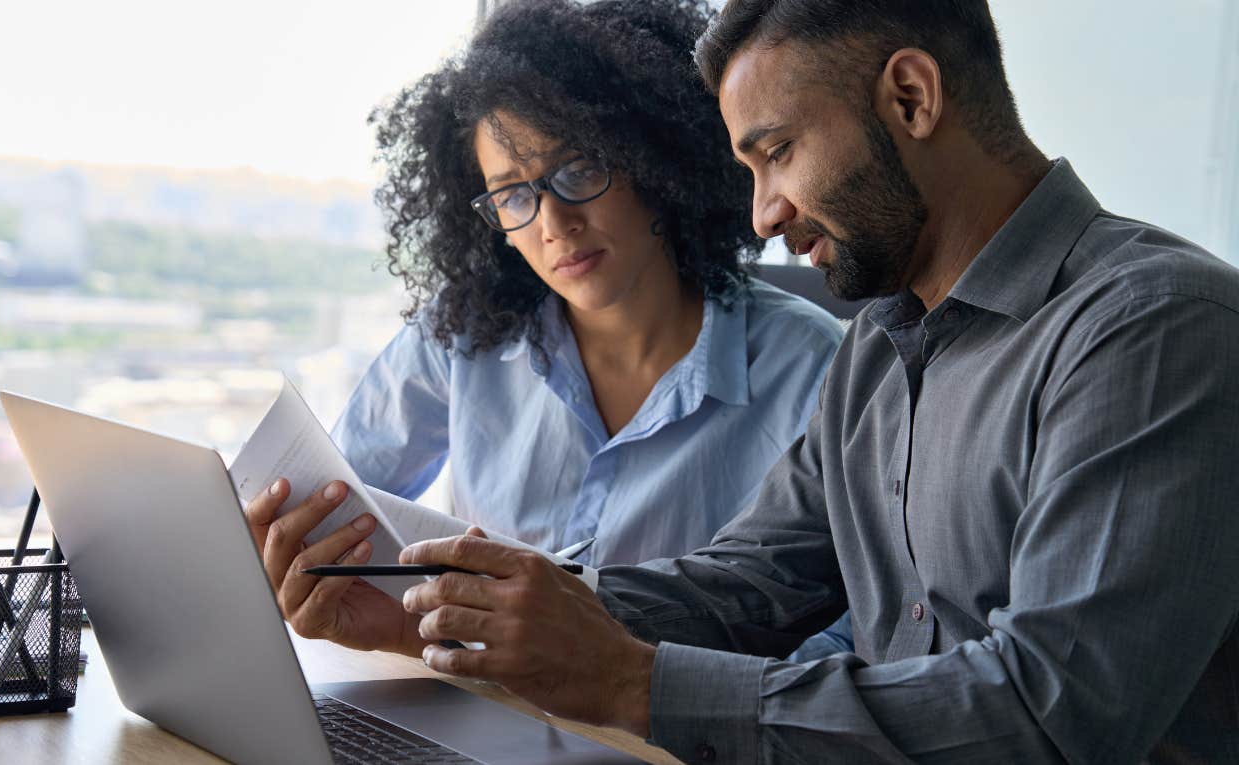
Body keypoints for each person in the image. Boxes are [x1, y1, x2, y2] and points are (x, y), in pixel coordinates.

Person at [252, 0, 1239, 760]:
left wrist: (636, 685)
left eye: (775, 153)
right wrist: (450, 620)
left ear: (911, 98)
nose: (760, 212)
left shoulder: (1155, 328)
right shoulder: (884, 349)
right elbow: (748, 582)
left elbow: (1054, 717)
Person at [287, 0, 851, 656]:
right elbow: (339, 503)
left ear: (653, 159)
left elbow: (854, 635)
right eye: (512, 194)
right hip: (472, 708)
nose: (552, 223)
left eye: (577, 170)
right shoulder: (463, 338)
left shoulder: (815, 369)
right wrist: (304, 557)